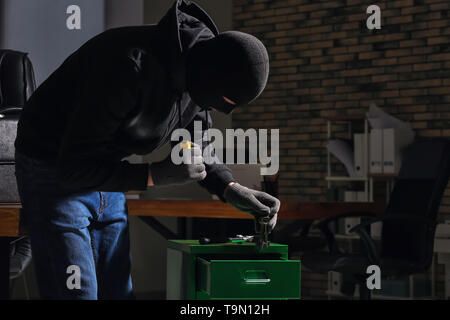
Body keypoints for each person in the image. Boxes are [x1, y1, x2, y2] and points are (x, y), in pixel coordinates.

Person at [14, 0, 279, 299]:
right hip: (52, 167)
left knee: (118, 291)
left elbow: (197, 140)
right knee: (77, 292)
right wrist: (154, 174)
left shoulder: (199, 73)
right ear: (209, 80)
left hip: (105, 166)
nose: (220, 111)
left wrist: (229, 186)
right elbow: (73, 166)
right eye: (225, 103)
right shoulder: (128, 67)